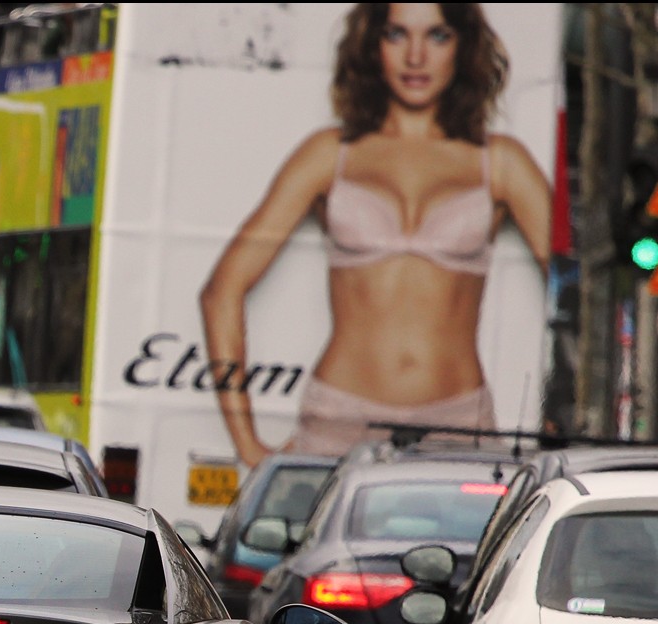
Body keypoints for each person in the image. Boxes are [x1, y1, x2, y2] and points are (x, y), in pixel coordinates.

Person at [199, 3, 551, 468]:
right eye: (396, 35)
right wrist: (247, 444)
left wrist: (561, 417)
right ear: (372, 46)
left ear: (464, 46)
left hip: (458, 426)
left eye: (438, 36)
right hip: (337, 424)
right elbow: (221, 292)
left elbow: (583, 294)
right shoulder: (330, 154)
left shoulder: (502, 162)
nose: (416, 57)